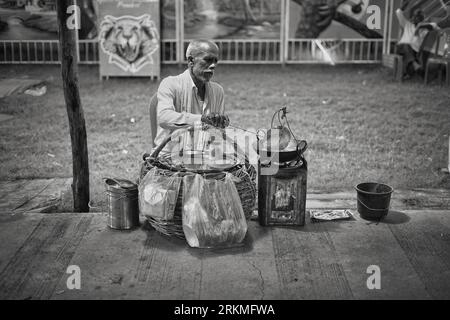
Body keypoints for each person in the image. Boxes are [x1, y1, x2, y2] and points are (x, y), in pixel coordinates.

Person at [153, 39, 229, 154]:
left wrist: (220, 122)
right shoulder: (170, 84)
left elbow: (218, 134)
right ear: (191, 60)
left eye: (215, 61)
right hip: (169, 159)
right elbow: (164, 118)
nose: (213, 65)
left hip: (204, 159)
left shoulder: (218, 91)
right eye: (208, 60)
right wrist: (200, 119)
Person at [395, 5, 426, 79]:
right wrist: (404, 6)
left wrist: (418, 30)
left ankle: (409, 71)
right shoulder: (407, 24)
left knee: (408, 51)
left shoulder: (424, 29)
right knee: (406, 45)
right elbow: (398, 12)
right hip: (401, 48)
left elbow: (418, 44)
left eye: (418, 17)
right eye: (415, 16)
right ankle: (415, 65)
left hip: (413, 51)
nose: (415, 18)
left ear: (422, 19)